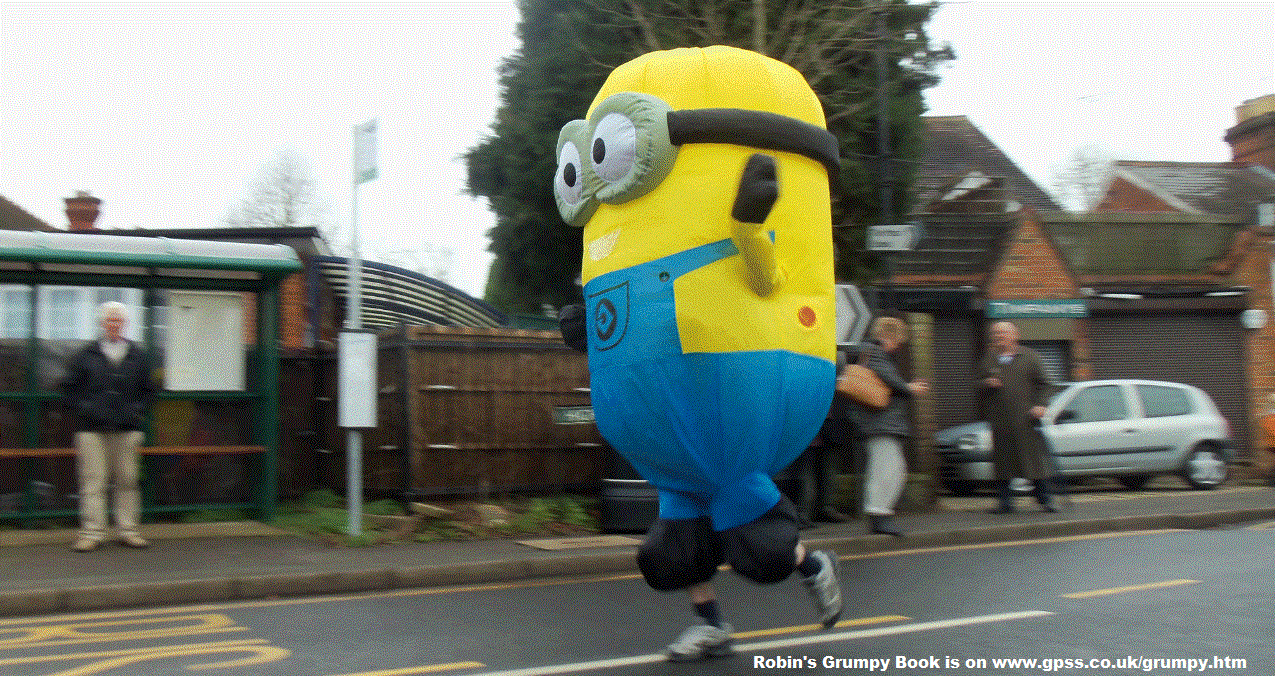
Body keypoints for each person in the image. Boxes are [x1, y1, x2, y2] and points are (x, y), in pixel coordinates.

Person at [62, 301, 155, 551]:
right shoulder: (86, 354)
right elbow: (69, 390)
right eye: (109, 320)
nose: (114, 324)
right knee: (93, 482)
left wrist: (136, 413)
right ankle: (91, 533)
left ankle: (128, 530)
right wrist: (86, 409)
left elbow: (149, 391)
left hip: (126, 430)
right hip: (91, 431)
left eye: (118, 320)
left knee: (128, 480)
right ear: (102, 324)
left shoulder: (138, 355)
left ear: (124, 324)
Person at [847, 317, 929, 537]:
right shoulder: (874, 350)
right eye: (897, 340)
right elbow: (889, 379)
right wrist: (909, 387)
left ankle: (881, 515)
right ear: (889, 336)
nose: (898, 346)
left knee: (893, 470)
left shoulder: (869, 351)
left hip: (879, 422)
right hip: (878, 422)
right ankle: (878, 517)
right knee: (884, 470)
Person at [977, 320, 1056, 514]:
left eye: (1003, 333)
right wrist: (986, 382)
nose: (998, 337)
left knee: (1033, 461)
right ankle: (1005, 503)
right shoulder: (989, 358)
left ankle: (1044, 499)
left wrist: (1041, 405)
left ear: (1015, 336)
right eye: (995, 334)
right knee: (1003, 464)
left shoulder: (1029, 357)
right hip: (1001, 422)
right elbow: (977, 383)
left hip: (1025, 420)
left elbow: (1045, 384)